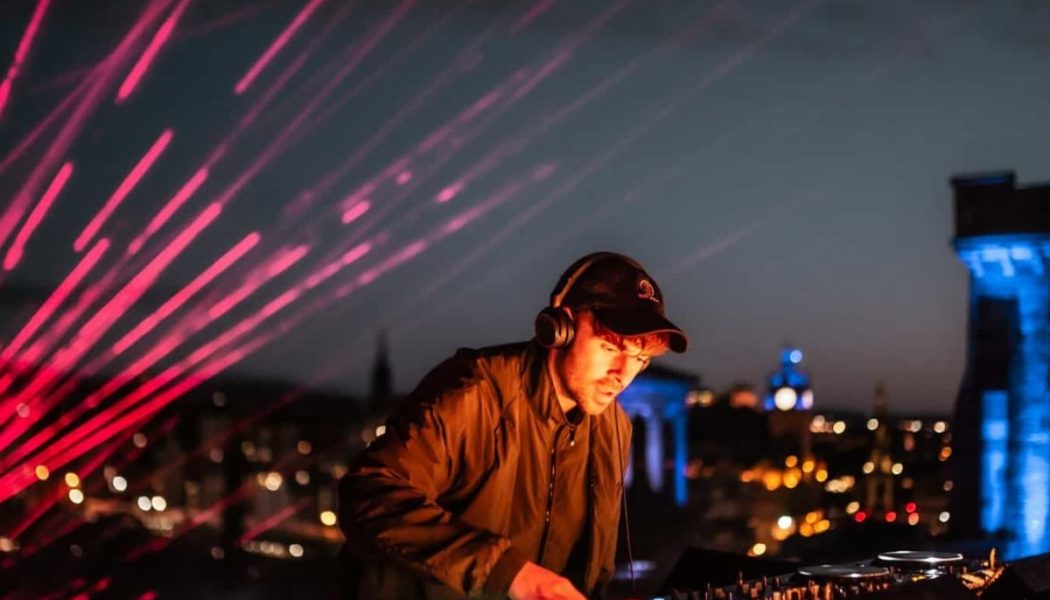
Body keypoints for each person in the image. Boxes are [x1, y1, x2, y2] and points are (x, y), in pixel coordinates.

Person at [337, 252, 689, 599]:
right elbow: (368, 493)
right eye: (610, 348)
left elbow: (592, 573)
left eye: (640, 359)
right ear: (560, 328)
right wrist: (507, 573)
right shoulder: (475, 391)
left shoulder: (614, 428)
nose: (623, 376)